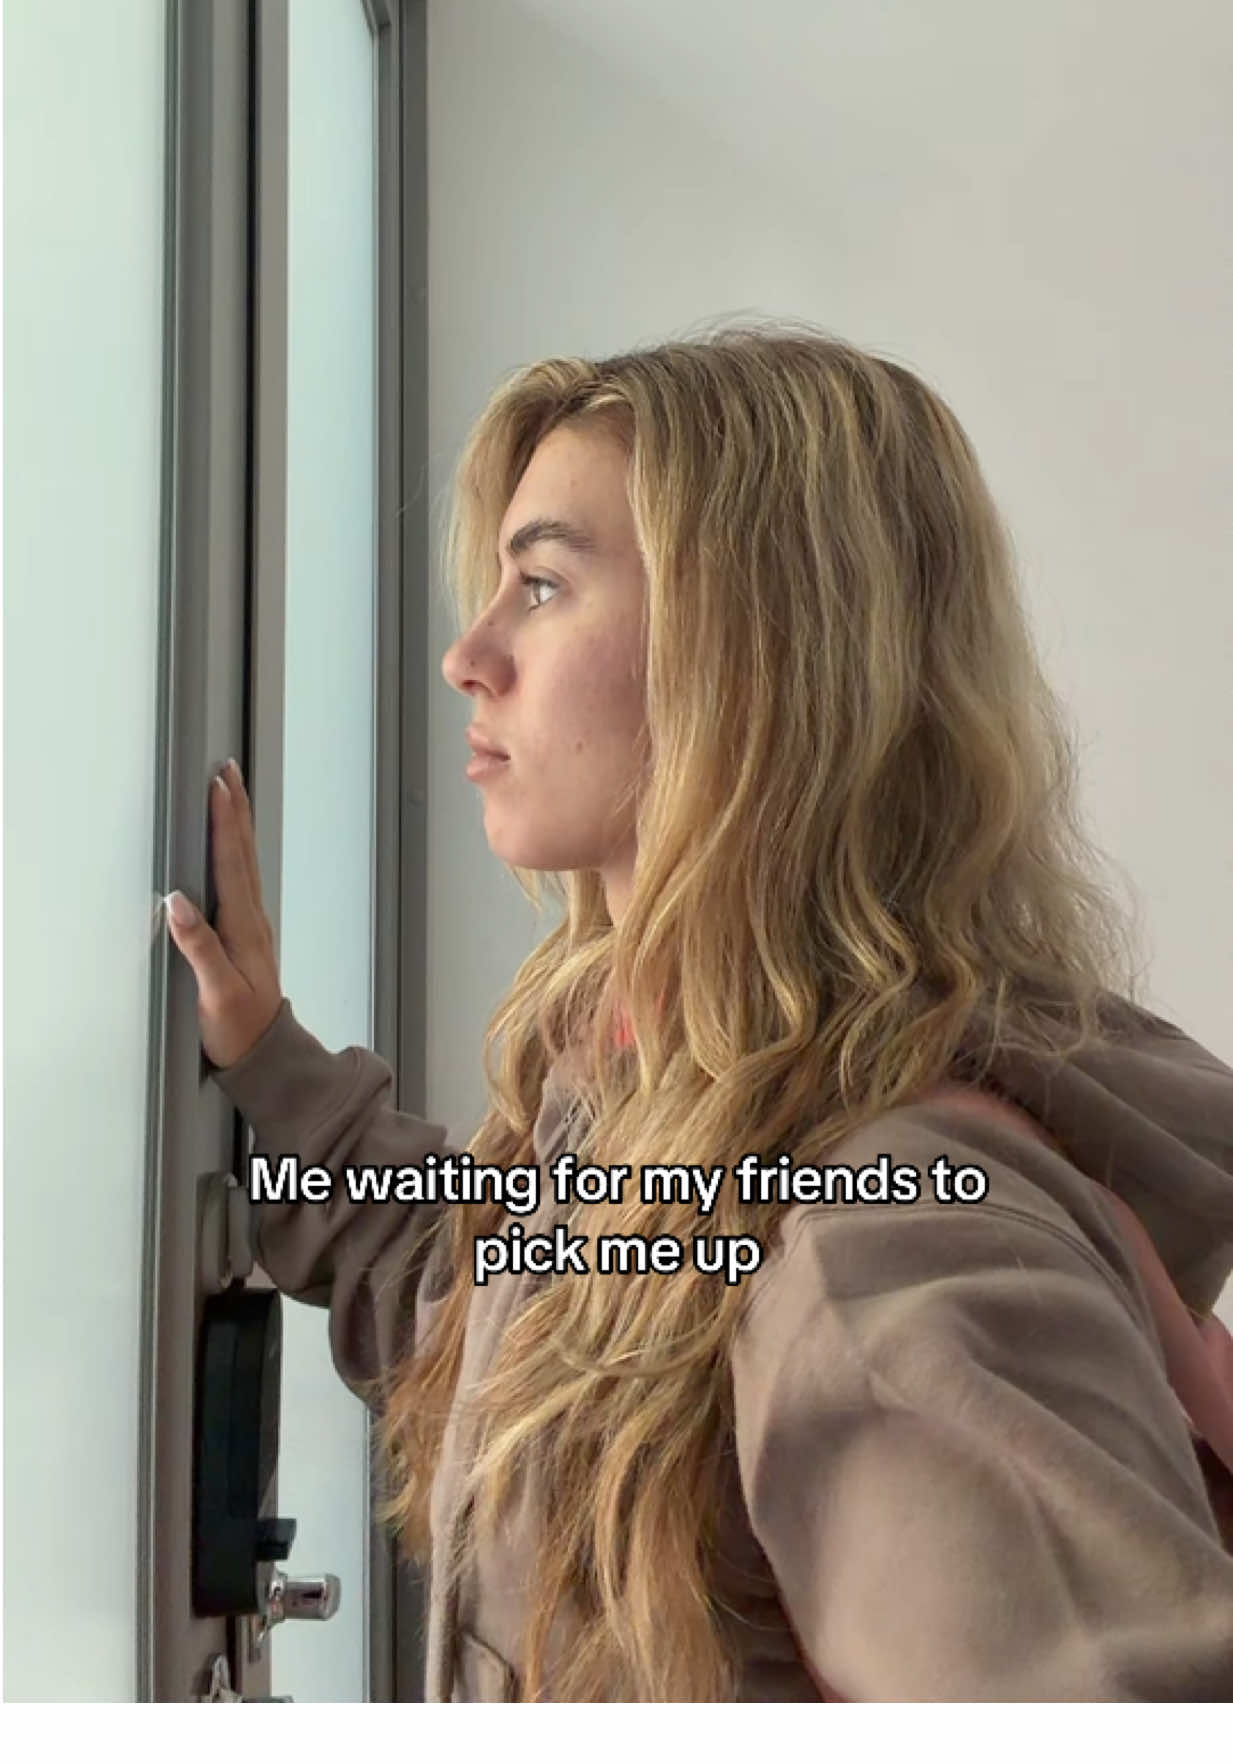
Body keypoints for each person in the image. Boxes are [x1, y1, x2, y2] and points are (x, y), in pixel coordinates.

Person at [165, 320, 1233, 1701]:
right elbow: (483, 1296)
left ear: (753, 655)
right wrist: (274, 1069)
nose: (467, 655)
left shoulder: (878, 1243)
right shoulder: (672, 1104)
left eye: (542, 585)